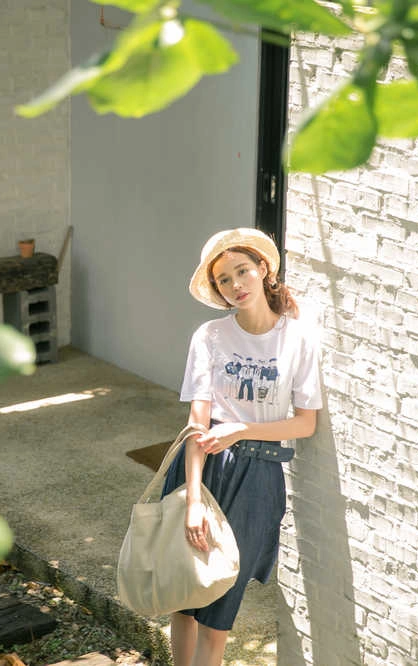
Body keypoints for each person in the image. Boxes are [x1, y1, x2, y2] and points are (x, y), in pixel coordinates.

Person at [161, 227, 322, 666]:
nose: (236, 285)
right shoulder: (210, 336)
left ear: (263, 269)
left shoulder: (298, 339)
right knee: (184, 597)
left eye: (242, 271)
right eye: (224, 280)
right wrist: (193, 501)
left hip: (258, 479)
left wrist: (241, 430)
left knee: (220, 611)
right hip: (204, 466)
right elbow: (197, 424)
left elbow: (305, 423)